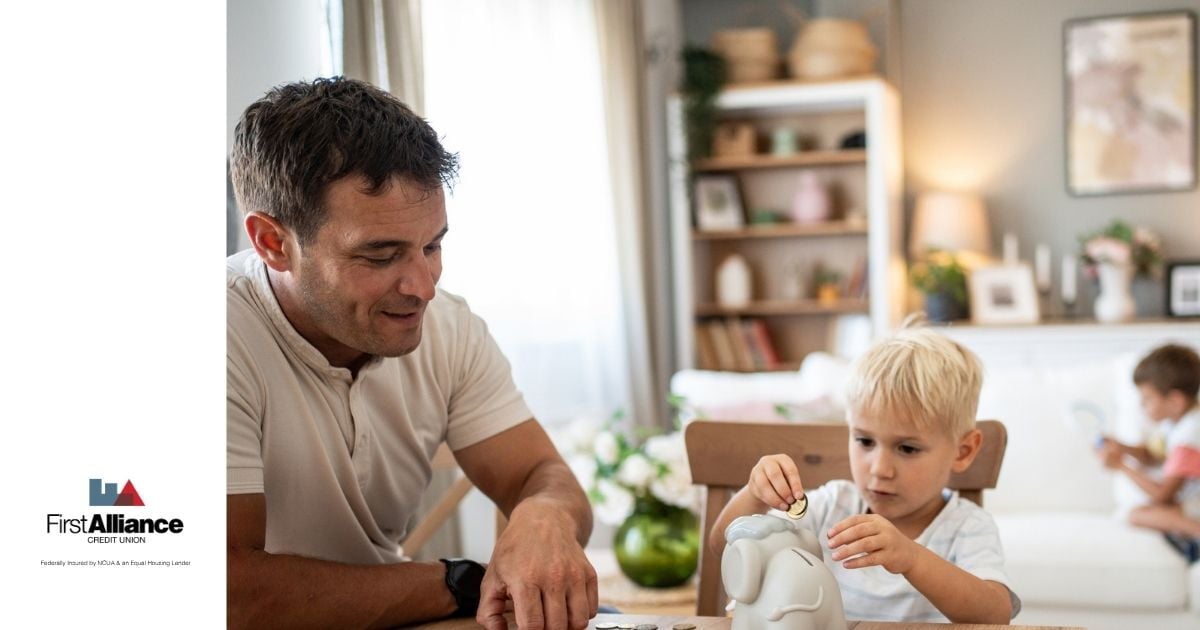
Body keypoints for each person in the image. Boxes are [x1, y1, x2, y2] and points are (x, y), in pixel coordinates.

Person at [226, 77, 597, 630]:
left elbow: (540, 473)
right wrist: (458, 582)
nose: (422, 286)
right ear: (273, 244)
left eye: (433, 245)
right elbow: (231, 596)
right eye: (381, 256)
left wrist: (544, 516)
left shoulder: (449, 326)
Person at [709, 318, 1019, 624]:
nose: (880, 469)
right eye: (864, 440)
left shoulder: (967, 526)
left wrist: (911, 558)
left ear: (962, 452)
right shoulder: (830, 506)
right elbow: (725, 548)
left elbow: (994, 614)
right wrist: (754, 493)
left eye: (907, 448)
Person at [1095, 343, 1200, 560]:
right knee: (1142, 511)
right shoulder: (1176, 423)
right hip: (1188, 501)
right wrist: (1121, 447)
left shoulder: (1189, 437)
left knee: (1136, 515)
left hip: (1194, 505)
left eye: (1148, 399)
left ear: (1175, 401)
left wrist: (1121, 466)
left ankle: (1195, 533)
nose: (1142, 405)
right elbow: (1152, 455)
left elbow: (1163, 495)